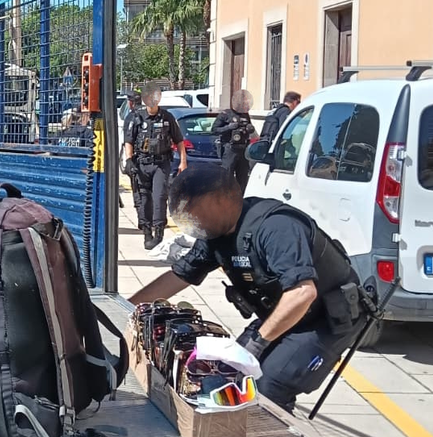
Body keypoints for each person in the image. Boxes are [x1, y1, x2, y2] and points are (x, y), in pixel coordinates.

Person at [130, 167, 368, 413]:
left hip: (323, 319)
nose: (190, 223)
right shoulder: (215, 233)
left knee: (267, 387)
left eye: (192, 214)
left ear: (220, 201)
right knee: (226, 376)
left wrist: (258, 342)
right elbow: (180, 275)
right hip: (282, 312)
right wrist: (127, 307)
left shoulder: (276, 227)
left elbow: (302, 292)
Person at [124, 86, 187, 250]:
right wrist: (129, 160)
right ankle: (147, 232)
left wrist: (183, 162)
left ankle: (158, 232)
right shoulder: (136, 118)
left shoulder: (167, 117)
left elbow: (179, 141)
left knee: (159, 196)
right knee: (143, 198)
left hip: (161, 163)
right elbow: (129, 141)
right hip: (141, 163)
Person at [213, 90, 256, 194]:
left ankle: (240, 199)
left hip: (243, 149)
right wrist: (228, 127)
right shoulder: (225, 114)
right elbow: (214, 129)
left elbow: (250, 129)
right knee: (226, 176)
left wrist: (250, 128)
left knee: (243, 178)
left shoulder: (245, 115)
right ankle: (224, 198)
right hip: (230, 149)